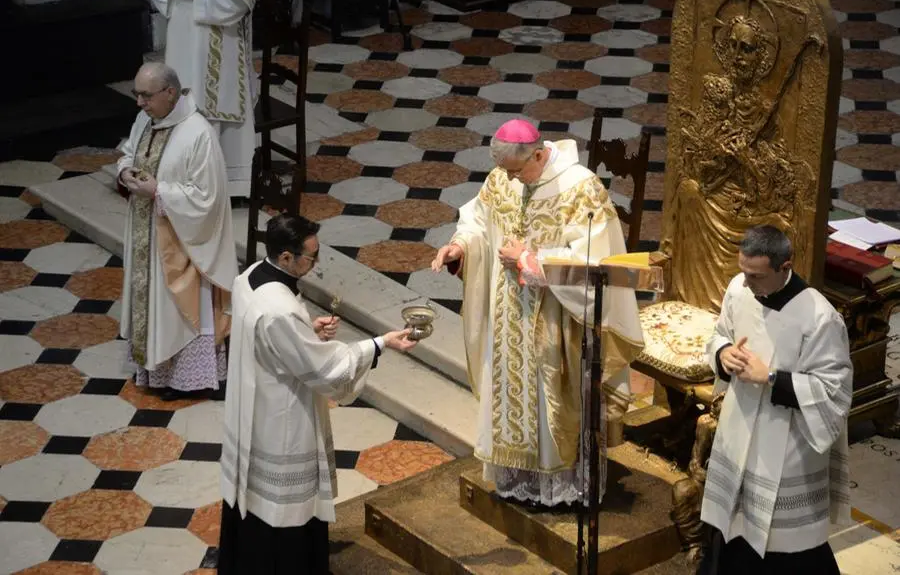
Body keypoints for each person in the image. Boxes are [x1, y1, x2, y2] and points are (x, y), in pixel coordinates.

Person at [431, 119, 644, 508]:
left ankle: (562, 489)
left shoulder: (581, 190)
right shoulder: (504, 177)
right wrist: (460, 246)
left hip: (556, 316)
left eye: (517, 170)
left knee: (553, 402)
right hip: (507, 312)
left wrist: (530, 259)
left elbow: (597, 264)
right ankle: (520, 480)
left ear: (540, 154)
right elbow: (480, 220)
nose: (511, 178)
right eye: (506, 171)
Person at [218, 213, 418, 574]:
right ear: (285, 258)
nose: (315, 263)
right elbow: (326, 370)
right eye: (310, 257)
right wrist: (380, 343)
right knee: (284, 508)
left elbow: (266, 336)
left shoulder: (248, 278)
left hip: (254, 404)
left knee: (255, 500)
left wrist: (305, 330)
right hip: (282, 414)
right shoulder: (278, 310)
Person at [697, 225, 852, 575]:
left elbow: (834, 390)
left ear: (785, 267)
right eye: (743, 272)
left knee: (784, 549)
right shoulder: (739, 290)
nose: (747, 283)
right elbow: (720, 333)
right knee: (733, 531)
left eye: (757, 276)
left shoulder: (820, 317)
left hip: (788, 447)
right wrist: (723, 355)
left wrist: (770, 378)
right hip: (739, 433)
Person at [117, 62, 238, 401]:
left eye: (146, 95)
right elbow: (129, 152)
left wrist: (159, 191)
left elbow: (207, 198)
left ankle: (186, 377)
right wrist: (125, 171)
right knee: (151, 306)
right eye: (136, 94)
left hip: (181, 240)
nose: (140, 103)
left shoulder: (198, 133)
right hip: (146, 232)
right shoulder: (146, 119)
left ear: (170, 92)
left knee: (176, 310)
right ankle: (155, 372)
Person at [144, 0, 264, 198]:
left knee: (217, 103)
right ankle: (180, 180)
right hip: (183, 34)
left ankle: (229, 184)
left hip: (223, 38)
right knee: (181, 99)